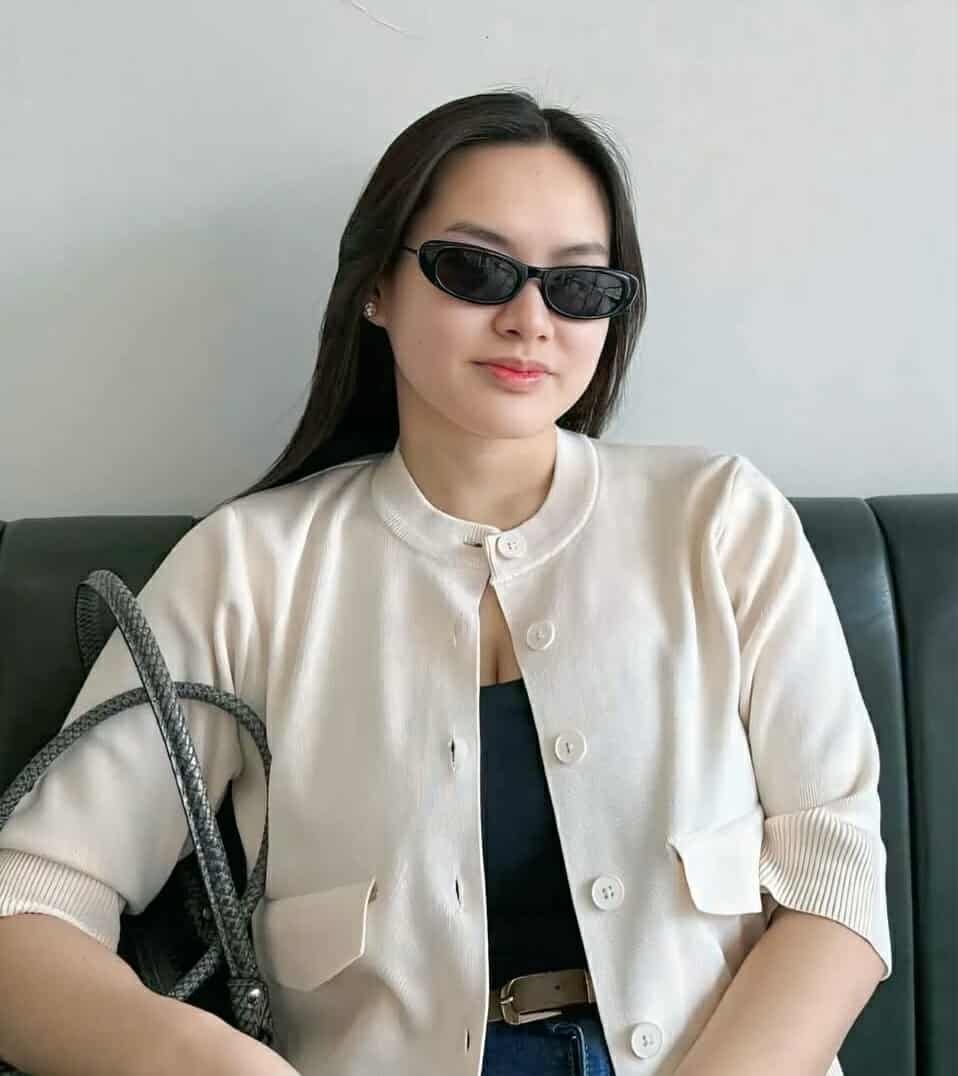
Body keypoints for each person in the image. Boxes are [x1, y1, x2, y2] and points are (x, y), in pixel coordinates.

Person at [0, 89, 891, 1076]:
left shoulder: (718, 519)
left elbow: (834, 877)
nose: (529, 320)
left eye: (577, 285)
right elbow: (29, 902)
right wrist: (197, 1057)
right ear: (376, 287)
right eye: (475, 269)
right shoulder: (249, 566)